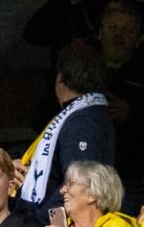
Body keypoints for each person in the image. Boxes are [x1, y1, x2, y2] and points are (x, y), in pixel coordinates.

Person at [21, 44, 118, 207]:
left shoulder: (83, 122)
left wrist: (41, 216)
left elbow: (80, 186)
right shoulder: (88, 114)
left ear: (60, 80)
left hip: (56, 226)